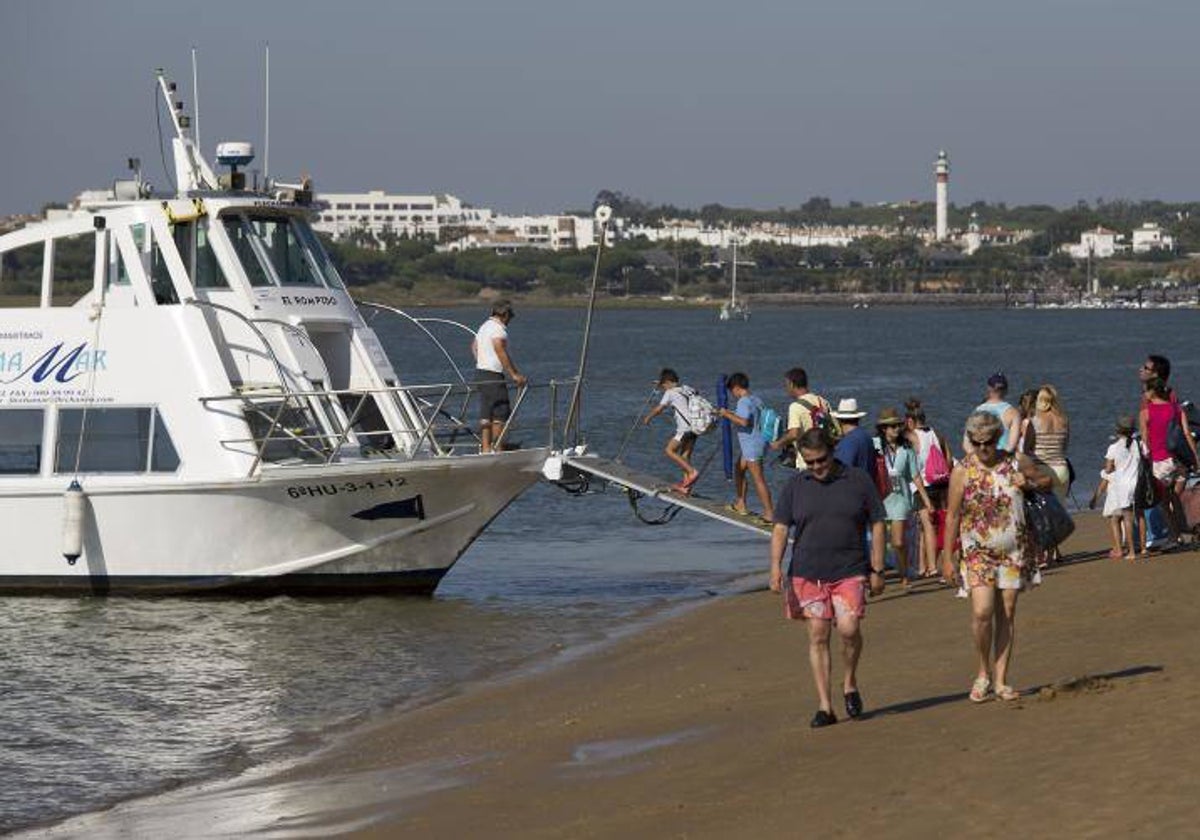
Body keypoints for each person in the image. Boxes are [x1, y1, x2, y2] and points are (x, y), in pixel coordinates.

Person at [769, 428, 886, 728]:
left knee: (848, 629)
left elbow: (877, 521)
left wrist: (877, 568)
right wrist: (774, 567)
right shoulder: (796, 485)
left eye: (821, 460)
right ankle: (825, 706)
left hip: (850, 568)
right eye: (809, 462)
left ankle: (849, 682)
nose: (816, 467)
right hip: (807, 572)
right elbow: (781, 526)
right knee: (818, 636)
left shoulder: (857, 479)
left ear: (832, 451)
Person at [941, 410, 1054, 703]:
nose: (982, 448)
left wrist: (1027, 482)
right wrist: (946, 556)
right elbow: (952, 515)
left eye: (987, 442)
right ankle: (983, 672)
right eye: (976, 442)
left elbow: (1048, 481)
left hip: (1014, 550)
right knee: (982, 613)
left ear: (996, 438)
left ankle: (1002, 679)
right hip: (977, 551)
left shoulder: (1015, 461)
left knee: (1007, 611)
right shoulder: (962, 470)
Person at [876, 407, 932, 588]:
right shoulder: (875, 446)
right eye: (891, 427)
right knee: (880, 541)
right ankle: (879, 576)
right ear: (884, 428)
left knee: (898, 541)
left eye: (897, 426)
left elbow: (916, 476)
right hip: (880, 498)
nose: (896, 430)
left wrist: (927, 501)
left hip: (900, 499)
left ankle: (904, 572)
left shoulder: (906, 449)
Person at [1139, 376, 1199, 545]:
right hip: (1180, 462)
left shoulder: (1145, 412)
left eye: (1144, 391)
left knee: (1164, 503)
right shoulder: (1177, 408)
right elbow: (1187, 434)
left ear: (1152, 392)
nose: (1143, 395)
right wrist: (1195, 458)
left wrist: (1145, 463)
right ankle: (1183, 532)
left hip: (1160, 462)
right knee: (1176, 500)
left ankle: (1174, 537)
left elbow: (1145, 441)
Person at [471, 300, 526, 454]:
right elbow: (500, 349)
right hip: (493, 375)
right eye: (510, 317)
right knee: (500, 412)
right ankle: (498, 448)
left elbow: (474, 346)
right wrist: (515, 374)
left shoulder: (484, 327)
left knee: (486, 412)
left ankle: (486, 448)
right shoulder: (498, 330)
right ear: (506, 314)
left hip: (481, 373)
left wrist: (482, 361)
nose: (510, 320)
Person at [717, 372, 774, 522]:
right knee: (739, 468)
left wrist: (726, 414)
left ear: (736, 388)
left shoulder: (743, 401)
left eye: (732, 391)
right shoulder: (756, 399)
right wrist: (730, 413)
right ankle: (741, 503)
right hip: (760, 442)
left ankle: (769, 514)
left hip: (752, 445)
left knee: (758, 479)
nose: (732, 395)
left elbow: (744, 422)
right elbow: (751, 417)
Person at [905, 398, 952, 578]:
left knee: (927, 526)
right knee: (937, 525)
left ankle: (932, 566)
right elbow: (948, 458)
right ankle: (923, 565)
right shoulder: (936, 434)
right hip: (941, 483)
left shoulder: (912, 436)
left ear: (910, 421)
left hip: (923, 485)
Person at [642, 368, 701, 493]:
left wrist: (648, 417)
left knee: (669, 450)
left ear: (668, 382)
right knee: (684, 457)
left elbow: (659, 408)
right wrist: (661, 383)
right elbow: (694, 393)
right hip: (695, 427)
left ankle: (692, 472)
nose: (663, 388)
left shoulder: (670, 393)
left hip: (684, 429)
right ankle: (686, 487)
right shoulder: (686, 388)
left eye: (663, 385)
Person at [1093, 416, 1141, 560]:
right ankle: (1141, 546)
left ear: (1118, 430)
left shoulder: (1114, 447)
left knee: (1125, 518)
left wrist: (1107, 469)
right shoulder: (1138, 444)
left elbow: (1108, 469)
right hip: (1137, 482)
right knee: (1138, 516)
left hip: (1123, 485)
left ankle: (1129, 551)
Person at [769, 367, 837, 470]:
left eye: (786, 385)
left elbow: (794, 434)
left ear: (792, 384)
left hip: (807, 462)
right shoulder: (822, 401)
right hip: (825, 459)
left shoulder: (795, 407)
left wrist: (778, 444)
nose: (786, 389)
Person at [965, 373, 1020, 455]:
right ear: (1006, 390)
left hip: (980, 458)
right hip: (1002, 459)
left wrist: (976, 459)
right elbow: (1011, 446)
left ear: (989, 388)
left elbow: (966, 443)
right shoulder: (1013, 413)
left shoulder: (977, 410)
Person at [1032, 385, 1070, 498]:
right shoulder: (1064, 420)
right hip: (1061, 468)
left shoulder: (1034, 420)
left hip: (1042, 469)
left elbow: (1027, 448)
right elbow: (1064, 446)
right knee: (1060, 510)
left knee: (1041, 512)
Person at [832, 398, 875, 474]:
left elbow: (842, 472)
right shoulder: (866, 436)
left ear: (839, 421)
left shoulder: (846, 443)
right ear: (857, 418)